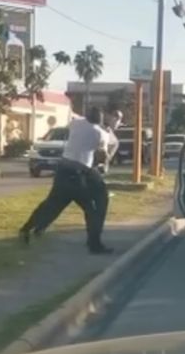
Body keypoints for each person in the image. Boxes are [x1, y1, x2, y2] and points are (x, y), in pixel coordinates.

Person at [18, 106, 119, 254]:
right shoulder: (100, 134)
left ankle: (26, 229)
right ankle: (94, 245)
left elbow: (74, 126)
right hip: (80, 175)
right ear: (100, 120)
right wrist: (107, 151)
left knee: (51, 204)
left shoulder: (77, 123)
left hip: (63, 170)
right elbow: (103, 157)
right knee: (93, 209)